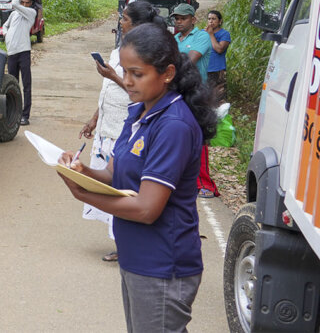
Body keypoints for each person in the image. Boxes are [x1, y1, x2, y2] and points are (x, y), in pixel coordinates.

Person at [58, 22, 216, 333]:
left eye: (137, 74)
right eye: (124, 71)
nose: (126, 82)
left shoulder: (173, 126)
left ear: (167, 74)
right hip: (138, 259)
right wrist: (81, 171)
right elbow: (114, 173)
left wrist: (84, 195)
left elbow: (146, 208)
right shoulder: (140, 112)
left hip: (162, 265)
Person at [79, 0, 167, 262]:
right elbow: (108, 91)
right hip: (109, 123)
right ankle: (119, 237)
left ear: (138, 24)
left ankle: (126, 243)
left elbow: (140, 92)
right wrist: (95, 118)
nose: (120, 21)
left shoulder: (148, 52)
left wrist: (113, 77)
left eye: (125, 18)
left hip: (127, 126)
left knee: (122, 183)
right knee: (108, 181)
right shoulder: (121, 48)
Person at [170, 3, 217, 198]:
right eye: (177, 18)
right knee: (175, 135)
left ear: (193, 19)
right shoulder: (173, 38)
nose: (179, 21)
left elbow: (190, 60)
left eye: (183, 18)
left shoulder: (202, 37)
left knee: (199, 139)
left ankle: (205, 184)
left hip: (196, 94)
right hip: (175, 91)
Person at [3, 0, 37, 125]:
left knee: (26, 84)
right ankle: (14, 113)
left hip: (24, 52)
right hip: (12, 53)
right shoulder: (14, 14)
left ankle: (25, 115)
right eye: (22, 2)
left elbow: (14, 3)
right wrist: (6, 34)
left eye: (27, 2)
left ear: (31, 4)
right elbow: (5, 26)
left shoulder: (30, 13)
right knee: (13, 84)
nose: (24, 4)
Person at [205, 10, 231, 100]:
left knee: (218, 99)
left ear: (220, 21)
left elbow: (219, 49)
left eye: (213, 19)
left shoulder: (224, 34)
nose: (211, 21)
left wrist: (211, 35)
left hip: (217, 70)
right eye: (209, 19)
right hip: (204, 70)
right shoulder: (203, 33)